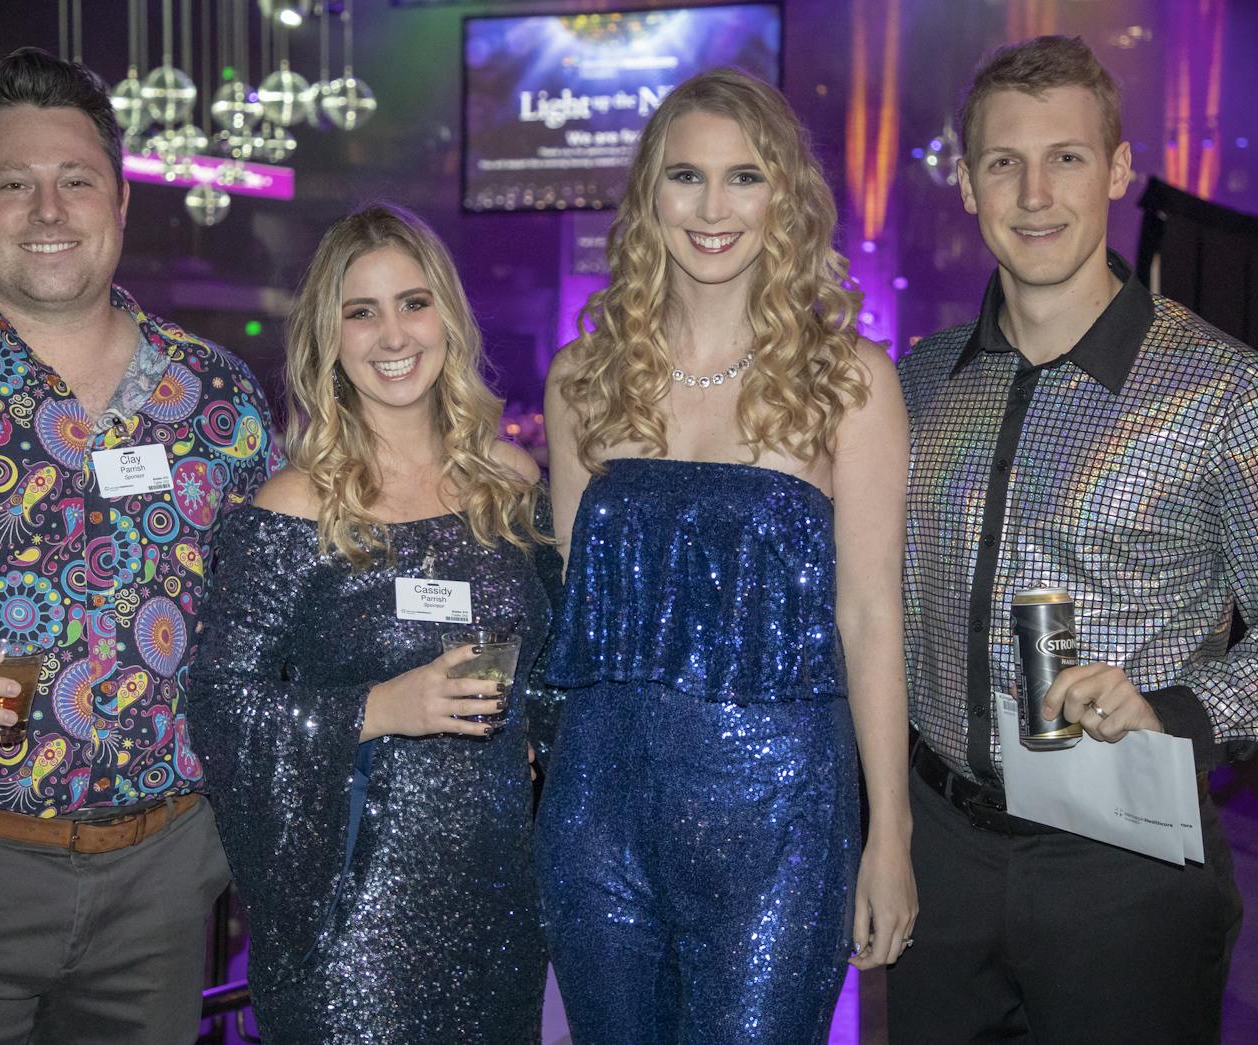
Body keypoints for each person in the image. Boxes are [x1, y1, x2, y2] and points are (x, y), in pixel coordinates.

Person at [0, 48, 278, 1043]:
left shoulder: (216, 399)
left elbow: (283, 620)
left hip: (161, 889)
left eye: (74, 180)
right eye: (13, 183)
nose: (47, 208)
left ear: (119, 201)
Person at [538, 68, 917, 1044]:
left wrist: (891, 836)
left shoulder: (849, 382)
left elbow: (871, 619)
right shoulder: (582, 380)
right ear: (646, 199)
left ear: (782, 196)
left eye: (742, 177)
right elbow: (581, 608)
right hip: (599, 810)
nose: (711, 208)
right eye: (684, 178)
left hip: (781, 819)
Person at [889, 35, 1250, 1045]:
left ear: (1119, 170)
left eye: (1067, 156)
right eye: (1002, 161)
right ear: (965, 182)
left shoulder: (1218, 390)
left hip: (1124, 862)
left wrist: (1176, 706)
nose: (1034, 191)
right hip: (940, 856)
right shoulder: (915, 387)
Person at [186, 203, 558, 1043]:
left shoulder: (509, 479)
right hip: (352, 912)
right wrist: (379, 708)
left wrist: (541, 725)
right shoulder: (293, 506)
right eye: (362, 311)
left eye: (413, 302)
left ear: (448, 319)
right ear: (331, 338)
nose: (392, 334)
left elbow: (552, 659)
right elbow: (216, 702)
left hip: (498, 895)